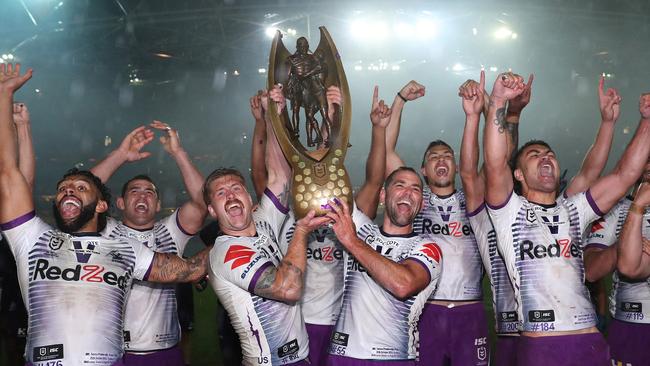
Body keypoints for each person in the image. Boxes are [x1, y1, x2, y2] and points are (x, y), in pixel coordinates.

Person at [0, 63, 209, 366]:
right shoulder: (33, 239)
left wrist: (231, 238)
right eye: (63, 189)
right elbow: (9, 174)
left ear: (101, 206)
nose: (68, 191)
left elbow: (188, 269)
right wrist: (4, 97)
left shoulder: (123, 248)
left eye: (79, 188)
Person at [483, 70, 650, 365]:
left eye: (550, 154)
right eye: (535, 155)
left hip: (591, 341)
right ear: (518, 174)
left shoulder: (573, 209)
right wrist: (498, 101)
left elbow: (625, 175)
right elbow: (496, 164)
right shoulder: (509, 213)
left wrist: (647, 120)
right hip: (543, 346)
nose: (546, 157)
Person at [249, 85, 390, 365]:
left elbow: (367, 177)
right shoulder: (284, 215)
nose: (316, 175)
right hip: (296, 321)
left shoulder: (348, 216)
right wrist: (269, 119)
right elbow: (264, 171)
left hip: (343, 322)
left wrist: (332, 114)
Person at [205, 85, 330, 366]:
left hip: (301, 358)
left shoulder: (262, 221)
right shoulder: (227, 252)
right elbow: (287, 289)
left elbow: (280, 177)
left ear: (250, 199)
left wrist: (275, 115)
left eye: (236, 188)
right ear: (212, 210)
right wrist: (300, 231)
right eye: (221, 193)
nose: (231, 195)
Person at [385, 80, 488, 366]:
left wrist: (485, 105)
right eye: (433, 157)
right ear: (423, 169)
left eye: (447, 156)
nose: (441, 161)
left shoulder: (474, 198)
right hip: (426, 309)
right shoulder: (416, 199)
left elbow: (492, 156)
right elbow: (385, 149)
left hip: (470, 311)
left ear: (455, 165)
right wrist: (400, 99)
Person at [90, 120, 208, 365]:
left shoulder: (171, 231)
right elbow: (83, 193)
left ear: (157, 205)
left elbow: (202, 202)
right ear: (120, 203)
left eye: (149, 192)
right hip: (113, 352)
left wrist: (178, 153)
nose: (142, 195)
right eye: (134, 191)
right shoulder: (106, 231)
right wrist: (120, 154)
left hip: (165, 351)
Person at [325, 167, 442, 366]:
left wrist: (352, 242)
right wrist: (331, 145)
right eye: (400, 185)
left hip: (392, 357)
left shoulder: (428, 248)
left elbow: (403, 285)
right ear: (383, 195)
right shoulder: (362, 230)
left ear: (421, 205)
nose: (408, 192)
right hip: (342, 355)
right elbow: (332, 185)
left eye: (415, 189)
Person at [587, 157, 650, 365]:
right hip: (631, 327)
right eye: (647, 159)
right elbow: (590, 271)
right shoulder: (615, 209)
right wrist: (625, 246)